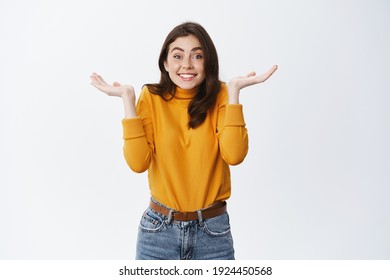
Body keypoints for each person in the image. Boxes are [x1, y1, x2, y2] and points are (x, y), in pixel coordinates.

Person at [90, 22, 277, 260]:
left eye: (197, 56)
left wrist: (234, 94)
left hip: (213, 232)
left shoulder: (222, 96)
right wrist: (128, 100)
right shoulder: (151, 97)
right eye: (178, 56)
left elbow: (235, 155)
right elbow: (138, 163)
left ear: (207, 62)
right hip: (158, 232)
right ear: (166, 63)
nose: (187, 64)